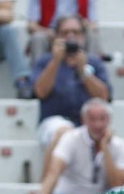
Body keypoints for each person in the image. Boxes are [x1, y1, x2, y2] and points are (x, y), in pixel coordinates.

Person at [31, 15, 111, 166]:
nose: (71, 37)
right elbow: (40, 92)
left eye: (76, 32)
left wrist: (84, 71)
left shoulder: (93, 62)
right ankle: (48, 186)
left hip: (88, 125)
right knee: (65, 132)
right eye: (65, 33)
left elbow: (103, 97)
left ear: (83, 36)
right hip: (52, 124)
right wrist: (56, 61)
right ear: (56, 36)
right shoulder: (45, 61)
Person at [35, 98, 124, 194]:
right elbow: (54, 172)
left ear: (109, 120)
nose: (98, 125)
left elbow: (118, 183)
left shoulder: (120, 145)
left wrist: (105, 149)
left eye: (102, 119)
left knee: (123, 192)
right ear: (84, 120)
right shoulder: (71, 138)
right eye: (92, 119)